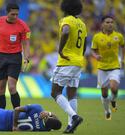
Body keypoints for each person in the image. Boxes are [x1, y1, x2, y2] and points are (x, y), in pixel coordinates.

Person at [0, 3, 30, 109]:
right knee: (0, 88)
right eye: (13, 14)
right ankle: (0, 116)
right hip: (1, 57)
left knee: (12, 87)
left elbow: (26, 43)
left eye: (17, 14)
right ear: (7, 13)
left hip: (15, 57)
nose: (15, 17)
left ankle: (18, 115)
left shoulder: (23, 26)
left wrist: (26, 59)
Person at [50, 0, 87, 134]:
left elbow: (65, 31)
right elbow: (85, 43)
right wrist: (79, 56)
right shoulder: (82, 24)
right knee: (72, 94)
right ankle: (71, 126)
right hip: (78, 62)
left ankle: (75, 117)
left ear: (65, 8)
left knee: (55, 92)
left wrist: (60, 50)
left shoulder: (66, 20)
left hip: (66, 61)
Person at [91, 15, 125, 120]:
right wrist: (96, 56)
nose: (110, 24)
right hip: (102, 68)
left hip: (114, 67)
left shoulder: (118, 36)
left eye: (111, 22)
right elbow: (93, 50)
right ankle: (107, 111)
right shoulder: (97, 37)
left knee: (114, 88)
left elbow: (123, 47)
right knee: (104, 93)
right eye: (107, 22)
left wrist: (123, 59)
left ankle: (114, 100)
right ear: (102, 24)